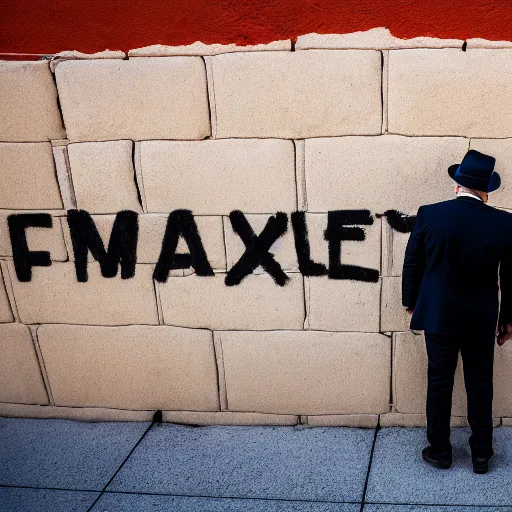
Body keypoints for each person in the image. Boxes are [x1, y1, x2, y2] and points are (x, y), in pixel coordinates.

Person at [402, 149, 512, 474]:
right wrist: (507, 319)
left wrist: (412, 303)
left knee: (439, 381)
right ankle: (481, 455)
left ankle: (439, 451)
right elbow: (510, 277)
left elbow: (413, 263)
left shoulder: (429, 215)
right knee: (480, 382)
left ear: (457, 186)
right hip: (481, 318)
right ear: (486, 193)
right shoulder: (504, 223)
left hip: (438, 315)